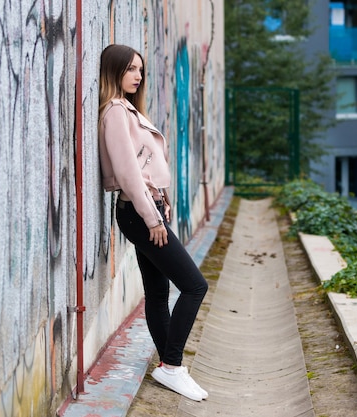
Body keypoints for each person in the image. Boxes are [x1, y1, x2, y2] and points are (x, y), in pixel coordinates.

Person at [98, 44, 209, 402]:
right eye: (131, 69)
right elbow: (129, 173)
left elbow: (146, 168)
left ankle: (168, 366)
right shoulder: (115, 111)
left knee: (159, 292)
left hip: (147, 208)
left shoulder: (128, 110)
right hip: (139, 212)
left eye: (141, 70)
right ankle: (172, 367)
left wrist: (164, 202)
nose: (138, 76)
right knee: (194, 286)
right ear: (114, 71)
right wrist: (152, 217)